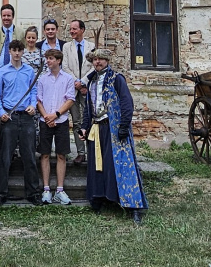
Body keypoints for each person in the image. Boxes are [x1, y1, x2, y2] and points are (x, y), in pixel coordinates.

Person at [80, 48, 148, 224]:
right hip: (97, 127)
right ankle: (99, 198)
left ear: (107, 60)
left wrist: (123, 126)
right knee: (98, 165)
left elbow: (126, 103)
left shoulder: (117, 79)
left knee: (119, 165)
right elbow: (89, 107)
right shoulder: (91, 82)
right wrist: (84, 127)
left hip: (114, 128)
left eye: (101, 59)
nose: (98, 62)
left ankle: (133, 205)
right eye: (95, 59)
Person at [0, 40, 41, 206]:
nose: (17, 53)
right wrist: (1, 112)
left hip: (26, 117)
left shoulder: (29, 71)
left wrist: (32, 106)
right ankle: (0, 192)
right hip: (9, 117)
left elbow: (33, 91)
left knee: (29, 156)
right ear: (10, 51)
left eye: (20, 50)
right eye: (14, 50)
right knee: (5, 156)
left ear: (23, 52)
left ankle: (33, 192)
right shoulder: (3, 71)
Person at [37, 51, 76, 205]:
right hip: (45, 120)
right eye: (47, 58)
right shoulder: (42, 79)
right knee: (45, 154)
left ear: (59, 60)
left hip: (61, 120)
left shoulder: (67, 79)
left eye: (51, 58)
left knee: (61, 155)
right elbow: (38, 100)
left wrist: (56, 115)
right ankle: (46, 189)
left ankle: (60, 189)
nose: (48, 61)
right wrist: (47, 116)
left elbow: (70, 99)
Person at [62, 20, 94, 165]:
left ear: (82, 30)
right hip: (73, 89)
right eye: (71, 29)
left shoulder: (91, 46)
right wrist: (76, 82)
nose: (72, 31)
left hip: (86, 89)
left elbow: (94, 67)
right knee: (76, 122)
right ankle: (81, 153)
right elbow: (65, 67)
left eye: (75, 29)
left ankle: (91, 151)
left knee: (90, 121)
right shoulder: (66, 47)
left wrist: (84, 82)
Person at [0, 4, 17, 69]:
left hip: (15, 70)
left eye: (8, 15)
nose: (6, 18)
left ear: (13, 17)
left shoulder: (21, 33)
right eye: (4, 15)